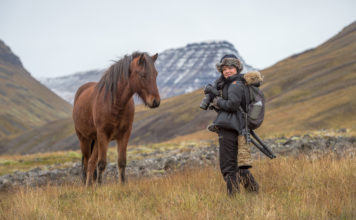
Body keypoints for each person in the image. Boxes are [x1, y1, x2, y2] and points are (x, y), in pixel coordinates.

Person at [210, 54, 259, 196]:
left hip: (230, 129)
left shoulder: (235, 84)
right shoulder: (236, 83)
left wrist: (217, 102)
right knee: (240, 166)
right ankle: (253, 192)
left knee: (228, 167)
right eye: (224, 69)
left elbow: (232, 105)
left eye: (230, 68)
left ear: (237, 68)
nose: (227, 71)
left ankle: (234, 199)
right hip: (238, 127)